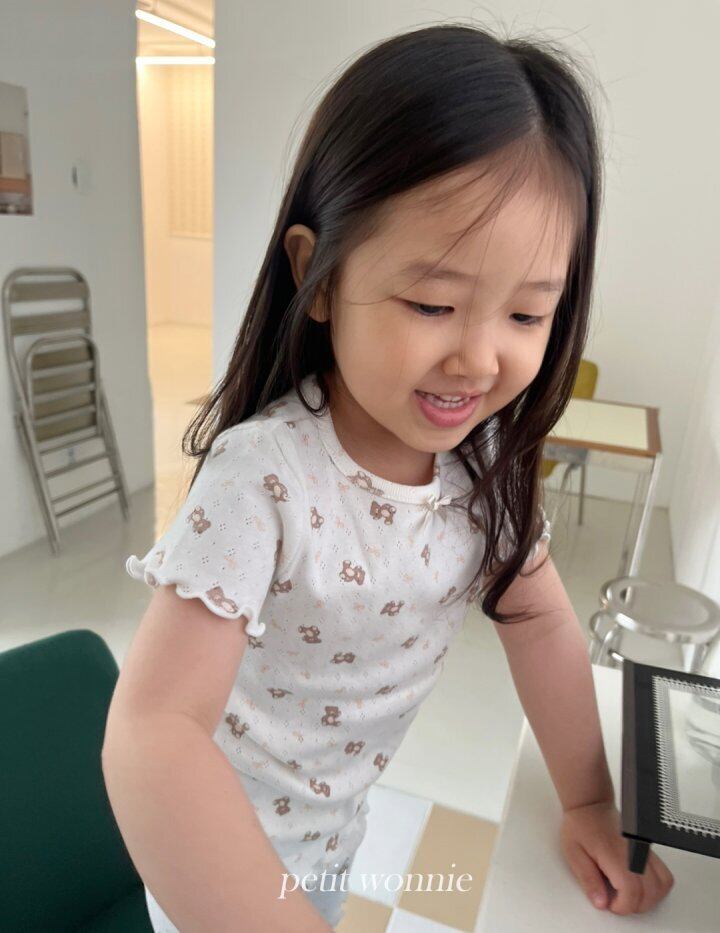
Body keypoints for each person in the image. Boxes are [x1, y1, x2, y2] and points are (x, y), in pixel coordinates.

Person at [102, 22, 675, 932]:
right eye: (433, 303)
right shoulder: (265, 478)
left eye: (527, 314)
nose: (478, 358)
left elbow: (540, 620)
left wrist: (587, 800)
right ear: (319, 275)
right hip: (214, 868)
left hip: (334, 836)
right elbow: (151, 732)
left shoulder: (483, 467)